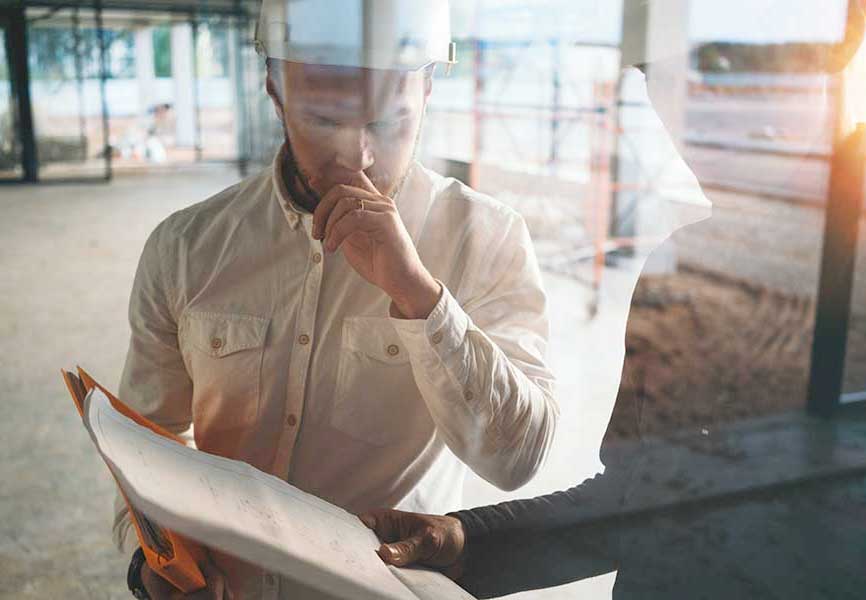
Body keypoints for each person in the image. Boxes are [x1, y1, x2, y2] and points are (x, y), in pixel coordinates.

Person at [358, 1, 866, 598]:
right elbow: (635, 500)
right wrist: (464, 538)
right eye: (661, 86)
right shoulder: (696, 263)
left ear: (824, 73)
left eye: (709, 72)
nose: (672, 119)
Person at [116, 1, 558, 598]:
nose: (360, 158)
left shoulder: (487, 238)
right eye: (324, 120)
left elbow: (518, 459)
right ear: (274, 89)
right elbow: (147, 441)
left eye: (388, 122)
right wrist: (157, 560)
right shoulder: (187, 246)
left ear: (427, 87)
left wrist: (417, 295)